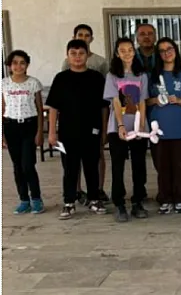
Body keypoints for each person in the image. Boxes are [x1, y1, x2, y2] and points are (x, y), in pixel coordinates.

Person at [47, 40, 109, 220]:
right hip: (67, 132)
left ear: (87, 55)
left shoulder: (96, 78)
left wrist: (104, 130)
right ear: (67, 56)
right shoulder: (61, 78)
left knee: (91, 165)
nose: (77, 57)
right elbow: (53, 107)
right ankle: (69, 202)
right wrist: (52, 132)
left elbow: (104, 107)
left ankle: (94, 199)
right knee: (70, 167)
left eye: (81, 53)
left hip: (92, 130)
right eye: (73, 53)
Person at [62, 24, 110, 205]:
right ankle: (76, 190)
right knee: (73, 158)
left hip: (93, 117)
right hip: (73, 119)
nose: (83, 38)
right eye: (80, 35)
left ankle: (98, 189)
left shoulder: (100, 62)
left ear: (91, 38)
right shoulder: (67, 63)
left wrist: (105, 125)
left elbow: (106, 91)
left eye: (86, 35)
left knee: (97, 155)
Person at [147, 38, 181, 215]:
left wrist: (180, 101)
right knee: (162, 166)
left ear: (175, 50)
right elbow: (145, 101)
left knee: (179, 165)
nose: (166, 53)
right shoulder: (151, 76)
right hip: (157, 129)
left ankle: (180, 198)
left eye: (169, 49)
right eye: (162, 50)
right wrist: (156, 100)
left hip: (179, 128)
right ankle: (165, 198)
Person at [104, 37, 150, 222]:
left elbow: (142, 101)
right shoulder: (112, 76)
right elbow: (115, 102)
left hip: (138, 125)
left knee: (139, 165)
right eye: (122, 50)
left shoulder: (141, 75)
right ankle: (119, 203)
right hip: (118, 127)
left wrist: (141, 125)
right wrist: (121, 125)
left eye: (130, 49)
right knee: (118, 165)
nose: (127, 53)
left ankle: (138, 201)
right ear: (117, 53)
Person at [2, 50, 44, 215]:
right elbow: (2, 108)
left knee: (28, 164)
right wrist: (2, 134)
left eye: (22, 63)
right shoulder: (4, 84)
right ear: (9, 65)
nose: (18, 66)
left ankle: (36, 199)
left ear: (27, 65)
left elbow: (40, 109)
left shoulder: (33, 83)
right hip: (10, 126)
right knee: (17, 166)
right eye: (14, 63)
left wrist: (39, 132)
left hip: (29, 126)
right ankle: (24, 200)